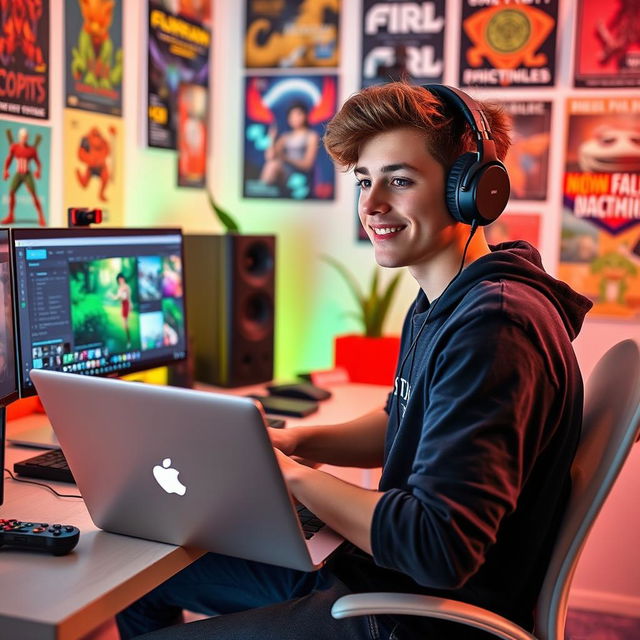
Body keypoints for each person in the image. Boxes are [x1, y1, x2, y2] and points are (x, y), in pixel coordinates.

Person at [115, 82, 592, 640]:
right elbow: (402, 418)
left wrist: (290, 478)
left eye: (400, 180)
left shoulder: (496, 327)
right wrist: (301, 443)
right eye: (365, 180)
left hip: (409, 618)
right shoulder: (452, 296)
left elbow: (437, 547)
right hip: (376, 577)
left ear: (472, 192)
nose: (371, 204)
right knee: (144, 574)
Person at [260, 101, 319, 191]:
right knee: (271, 165)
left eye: (298, 114)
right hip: (284, 172)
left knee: (273, 165)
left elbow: (308, 165)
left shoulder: (311, 136)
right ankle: (261, 192)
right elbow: (270, 157)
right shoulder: (286, 137)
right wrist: (271, 139)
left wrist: (286, 158)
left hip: (300, 174)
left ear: (305, 115)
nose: (295, 118)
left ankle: (261, 191)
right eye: (292, 116)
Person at [1, 127, 46, 226]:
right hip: (18, 173)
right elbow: (9, 159)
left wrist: (38, 171)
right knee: (11, 192)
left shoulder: (31, 150)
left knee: (34, 194)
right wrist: (5, 171)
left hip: (27, 174)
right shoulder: (14, 147)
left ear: (27, 137)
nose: (24, 138)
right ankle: (11, 216)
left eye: (25, 137)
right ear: (19, 137)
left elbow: (38, 162)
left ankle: (41, 217)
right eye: (22, 136)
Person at [107, 272, 132, 349]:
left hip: (126, 305)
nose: (120, 280)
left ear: (123, 279)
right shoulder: (120, 287)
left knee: (125, 324)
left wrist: (130, 304)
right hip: (123, 305)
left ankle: (128, 341)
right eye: (119, 279)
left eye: (121, 278)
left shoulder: (126, 287)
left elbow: (127, 297)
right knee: (124, 325)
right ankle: (128, 340)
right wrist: (111, 296)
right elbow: (117, 298)